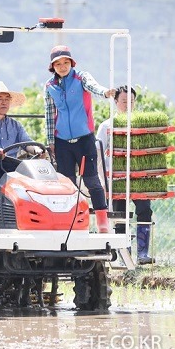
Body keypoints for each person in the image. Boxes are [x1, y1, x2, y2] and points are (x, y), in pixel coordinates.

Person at [44, 45, 116, 233]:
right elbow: (49, 115)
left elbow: (94, 86)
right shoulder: (49, 87)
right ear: (53, 66)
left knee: (92, 181)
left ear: (71, 62)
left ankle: (102, 223)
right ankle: (71, 222)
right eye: (58, 64)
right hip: (61, 142)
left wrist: (105, 93)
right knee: (67, 184)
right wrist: (50, 141)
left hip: (84, 140)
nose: (62, 66)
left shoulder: (81, 77)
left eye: (65, 62)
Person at [96, 85, 153, 264]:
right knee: (120, 216)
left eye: (131, 101)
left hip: (138, 178)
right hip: (116, 179)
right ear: (115, 102)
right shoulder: (106, 126)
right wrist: (102, 181)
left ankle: (142, 254)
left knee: (145, 210)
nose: (128, 105)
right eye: (123, 101)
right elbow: (98, 154)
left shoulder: (139, 126)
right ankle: (124, 256)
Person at [0, 81, 41, 219]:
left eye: (7, 99)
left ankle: (29, 216)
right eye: (0, 99)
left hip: (10, 165)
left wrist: (37, 150)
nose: (4, 102)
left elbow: (27, 143)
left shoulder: (15, 125)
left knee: (30, 174)